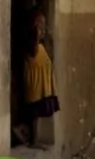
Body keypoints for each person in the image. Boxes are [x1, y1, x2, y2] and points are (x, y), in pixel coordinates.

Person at [12, 9, 60, 149]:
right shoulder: (30, 39)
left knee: (38, 112)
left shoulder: (42, 39)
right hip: (35, 82)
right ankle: (33, 140)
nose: (42, 26)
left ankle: (33, 138)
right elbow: (33, 52)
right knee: (33, 111)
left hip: (42, 82)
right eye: (40, 23)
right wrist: (37, 34)